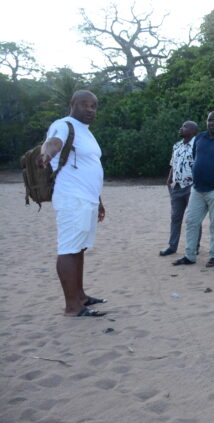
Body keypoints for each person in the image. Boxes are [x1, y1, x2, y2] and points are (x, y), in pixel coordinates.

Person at [36, 90, 107, 317]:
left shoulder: (86, 132)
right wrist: (46, 155)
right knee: (68, 249)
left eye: (93, 106)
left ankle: (81, 297)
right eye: (85, 105)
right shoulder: (64, 125)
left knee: (79, 248)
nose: (90, 110)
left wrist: (98, 200)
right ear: (72, 104)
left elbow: (89, 167)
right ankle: (73, 307)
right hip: (72, 199)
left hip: (88, 199)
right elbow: (53, 143)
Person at [173, 111, 214, 268]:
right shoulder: (200, 138)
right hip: (197, 189)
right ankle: (189, 256)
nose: (212, 123)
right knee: (191, 221)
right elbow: (195, 157)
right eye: (210, 120)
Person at [160, 121, 202, 257]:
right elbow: (173, 164)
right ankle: (172, 246)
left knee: (193, 218)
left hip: (192, 186)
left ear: (193, 130)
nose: (181, 128)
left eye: (184, 126)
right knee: (175, 217)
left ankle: (194, 246)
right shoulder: (177, 145)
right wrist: (169, 180)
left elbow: (201, 165)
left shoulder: (198, 145)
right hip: (177, 186)